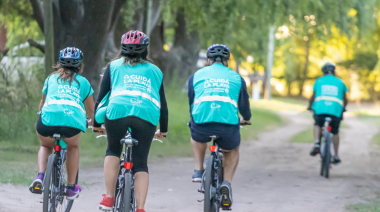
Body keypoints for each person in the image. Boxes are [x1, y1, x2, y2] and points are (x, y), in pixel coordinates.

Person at [94, 30, 168, 212]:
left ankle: (110, 199)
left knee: (113, 150)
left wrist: (96, 124)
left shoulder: (113, 66)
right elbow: (163, 105)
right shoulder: (155, 71)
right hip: (147, 115)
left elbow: (101, 99)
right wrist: (163, 129)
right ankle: (140, 208)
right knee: (140, 164)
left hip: (117, 112)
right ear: (145, 50)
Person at [187, 44, 251, 209]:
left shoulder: (196, 76)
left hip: (202, 124)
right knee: (233, 149)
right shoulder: (237, 78)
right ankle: (226, 183)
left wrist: (193, 117)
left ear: (208, 60)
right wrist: (246, 118)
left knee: (195, 135)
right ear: (227, 61)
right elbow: (244, 106)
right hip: (227, 127)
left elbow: (192, 101)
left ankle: (198, 169)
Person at [29, 47, 95, 200]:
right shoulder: (83, 82)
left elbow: (42, 103)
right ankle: (71, 187)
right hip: (71, 123)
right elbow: (92, 111)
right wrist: (93, 124)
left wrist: (42, 114)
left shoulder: (51, 79)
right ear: (80, 65)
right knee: (73, 147)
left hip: (47, 121)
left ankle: (40, 176)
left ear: (60, 63)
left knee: (46, 145)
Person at [307, 62, 348, 164]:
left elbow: (313, 96)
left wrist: (310, 106)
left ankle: (317, 143)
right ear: (334, 72)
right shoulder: (340, 82)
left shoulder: (319, 81)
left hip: (320, 110)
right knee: (335, 132)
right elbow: (345, 99)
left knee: (317, 124)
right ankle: (336, 155)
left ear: (323, 72)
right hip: (335, 111)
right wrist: (344, 108)